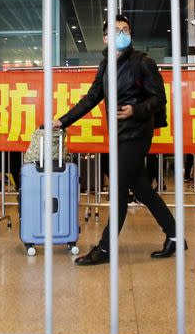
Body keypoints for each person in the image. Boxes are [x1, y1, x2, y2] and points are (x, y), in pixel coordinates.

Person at [54, 14, 183, 265]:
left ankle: (104, 248)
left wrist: (136, 110)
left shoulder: (142, 62)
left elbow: (159, 98)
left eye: (125, 29)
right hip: (120, 135)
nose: (122, 34)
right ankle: (175, 235)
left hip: (137, 133)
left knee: (120, 189)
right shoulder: (105, 65)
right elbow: (92, 98)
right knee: (143, 190)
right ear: (105, 37)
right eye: (116, 30)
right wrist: (63, 121)